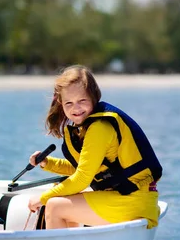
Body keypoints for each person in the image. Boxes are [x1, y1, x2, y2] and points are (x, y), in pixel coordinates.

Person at [27, 65, 163, 229]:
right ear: (60, 103)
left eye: (82, 101)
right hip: (130, 197)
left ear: (94, 97)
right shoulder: (88, 127)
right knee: (64, 197)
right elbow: (88, 169)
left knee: (54, 206)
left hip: (133, 199)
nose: (76, 108)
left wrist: (42, 198)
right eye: (68, 103)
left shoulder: (99, 128)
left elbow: (82, 178)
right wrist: (48, 163)